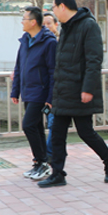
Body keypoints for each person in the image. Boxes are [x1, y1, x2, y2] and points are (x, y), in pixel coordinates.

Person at [38, 0, 108, 188]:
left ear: (62, 6)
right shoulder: (66, 27)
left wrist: (88, 89)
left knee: (85, 132)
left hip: (79, 90)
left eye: (54, 7)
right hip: (63, 91)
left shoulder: (88, 25)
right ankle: (58, 174)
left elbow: (94, 60)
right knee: (57, 133)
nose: (53, 12)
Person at [11, 6, 57, 181]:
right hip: (27, 92)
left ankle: (42, 162)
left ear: (33, 22)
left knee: (28, 125)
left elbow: (53, 72)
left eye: (24, 19)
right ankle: (40, 163)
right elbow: (18, 67)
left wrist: (50, 97)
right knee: (36, 127)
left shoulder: (49, 42)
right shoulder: (25, 41)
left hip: (40, 93)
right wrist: (15, 90)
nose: (21, 22)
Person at [42, 11, 60, 160]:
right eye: (43, 24)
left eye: (49, 23)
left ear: (56, 25)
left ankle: (49, 155)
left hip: (57, 90)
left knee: (53, 124)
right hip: (43, 90)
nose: (46, 26)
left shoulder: (58, 42)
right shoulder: (38, 42)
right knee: (50, 123)